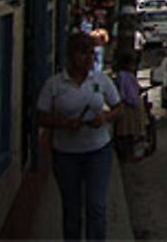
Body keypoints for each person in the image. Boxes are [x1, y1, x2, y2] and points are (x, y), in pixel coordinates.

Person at [36, 32, 122, 241]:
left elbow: (118, 107)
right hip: (66, 154)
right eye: (83, 53)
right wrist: (64, 123)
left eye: (91, 53)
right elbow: (40, 116)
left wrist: (105, 117)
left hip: (97, 151)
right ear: (71, 56)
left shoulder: (100, 80)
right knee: (72, 209)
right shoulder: (55, 85)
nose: (88, 58)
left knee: (96, 205)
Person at [111, 51, 144, 162]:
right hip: (127, 106)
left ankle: (130, 153)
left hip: (132, 105)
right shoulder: (122, 76)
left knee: (131, 132)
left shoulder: (129, 76)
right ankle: (126, 155)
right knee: (126, 132)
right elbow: (123, 92)